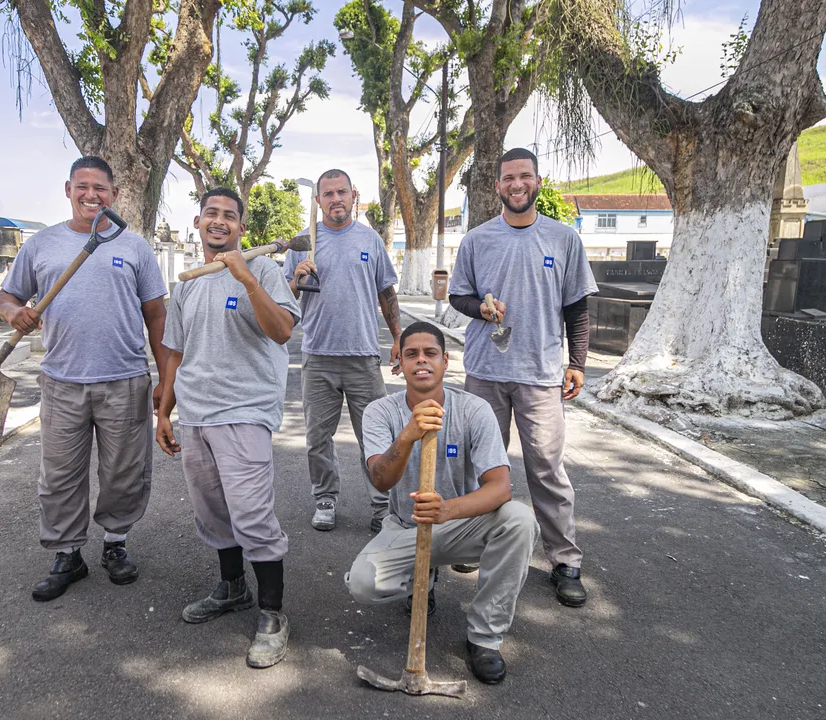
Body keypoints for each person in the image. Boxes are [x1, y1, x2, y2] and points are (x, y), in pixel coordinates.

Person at [0, 156, 168, 602]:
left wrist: (166, 378)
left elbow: (157, 315)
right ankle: (67, 554)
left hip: (125, 378)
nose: (91, 195)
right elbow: (7, 296)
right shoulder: (42, 245)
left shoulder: (134, 248)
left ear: (113, 195)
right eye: (82, 186)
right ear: (68, 189)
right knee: (60, 475)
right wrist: (16, 312)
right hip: (62, 380)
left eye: (100, 189)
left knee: (124, 472)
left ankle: (116, 544)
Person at [345, 322, 539, 684]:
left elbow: (500, 489)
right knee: (363, 584)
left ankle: (484, 638)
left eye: (430, 353)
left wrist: (448, 510)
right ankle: (423, 579)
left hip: (460, 525)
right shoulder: (379, 412)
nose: (421, 361)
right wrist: (408, 435)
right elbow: (381, 479)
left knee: (519, 520)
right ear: (398, 362)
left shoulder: (474, 410)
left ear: (446, 361)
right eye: (411, 354)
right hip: (405, 526)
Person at [156, 188, 301, 668]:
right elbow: (175, 351)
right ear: (198, 222)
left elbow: (281, 330)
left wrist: (246, 278)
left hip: (245, 410)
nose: (219, 222)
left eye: (229, 217)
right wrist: (164, 410)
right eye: (211, 215)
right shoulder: (188, 284)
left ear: (241, 226)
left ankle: (273, 615)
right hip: (195, 412)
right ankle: (232, 588)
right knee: (214, 511)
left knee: (251, 513)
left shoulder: (262, 269)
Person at [448, 147, 598, 608]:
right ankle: (476, 542)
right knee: (482, 465)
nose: (517, 184)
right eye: (508, 177)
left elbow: (577, 305)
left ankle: (564, 559)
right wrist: (481, 308)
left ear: (537, 181)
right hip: (486, 370)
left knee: (546, 468)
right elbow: (458, 296)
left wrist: (578, 362)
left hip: (540, 373)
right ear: (497, 185)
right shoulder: (476, 240)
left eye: (524, 176)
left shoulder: (563, 238)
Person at [283, 169, 402, 533]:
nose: (335, 199)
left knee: (377, 437)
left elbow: (387, 293)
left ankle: (382, 505)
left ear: (354, 196)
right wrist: (296, 279)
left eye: (342, 192)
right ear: (317, 200)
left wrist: (400, 338)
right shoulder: (303, 243)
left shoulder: (370, 240)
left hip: (363, 356)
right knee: (318, 438)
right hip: (318, 357)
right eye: (328, 193)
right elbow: (283, 300)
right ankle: (325, 498)